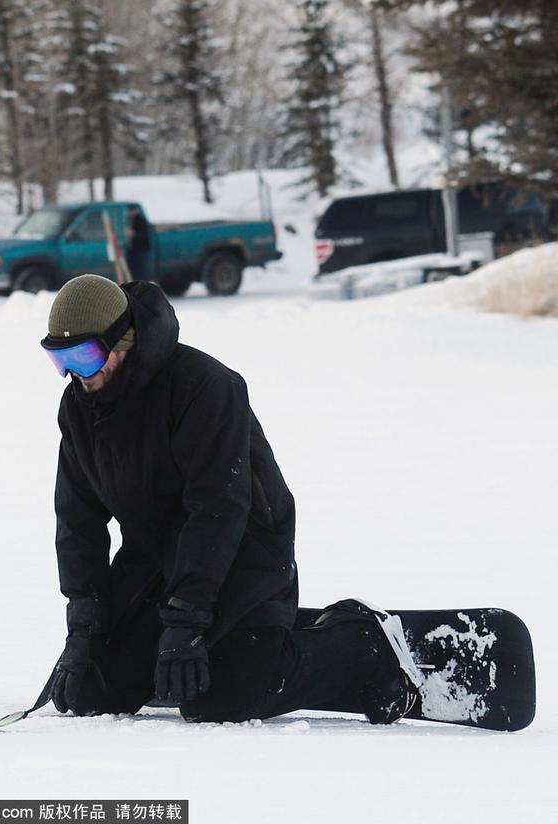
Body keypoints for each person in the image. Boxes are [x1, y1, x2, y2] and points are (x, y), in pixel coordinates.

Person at [41, 274, 420, 723]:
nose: (75, 374)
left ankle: (360, 645)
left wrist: (185, 624)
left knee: (221, 698)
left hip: (244, 553)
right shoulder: (80, 409)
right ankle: (262, 634)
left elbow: (218, 509)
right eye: (59, 359)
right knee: (89, 691)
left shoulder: (205, 388)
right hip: (157, 562)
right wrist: (85, 625)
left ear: (122, 342)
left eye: (84, 356)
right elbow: (77, 519)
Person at [125, 205, 151, 281]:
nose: (131, 213)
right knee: (134, 271)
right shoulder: (129, 220)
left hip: (140, 250)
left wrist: (134, 234)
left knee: (140, 272)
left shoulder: (140, 220)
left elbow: (145, 235)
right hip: (133, 250)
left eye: (132, 210)